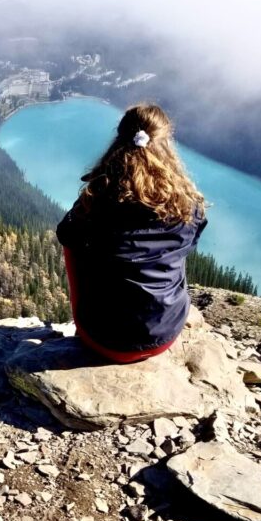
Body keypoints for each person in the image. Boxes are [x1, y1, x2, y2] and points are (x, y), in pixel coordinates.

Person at [56, 103, 207, 363]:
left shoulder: (100, 197)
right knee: (174, 251)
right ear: (166, 144)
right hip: (166, 333)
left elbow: (65, 232)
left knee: (73, 244)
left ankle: (83, 316)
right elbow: (192, 240)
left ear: (119, 139)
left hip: (104, 339)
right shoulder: (187, 203)